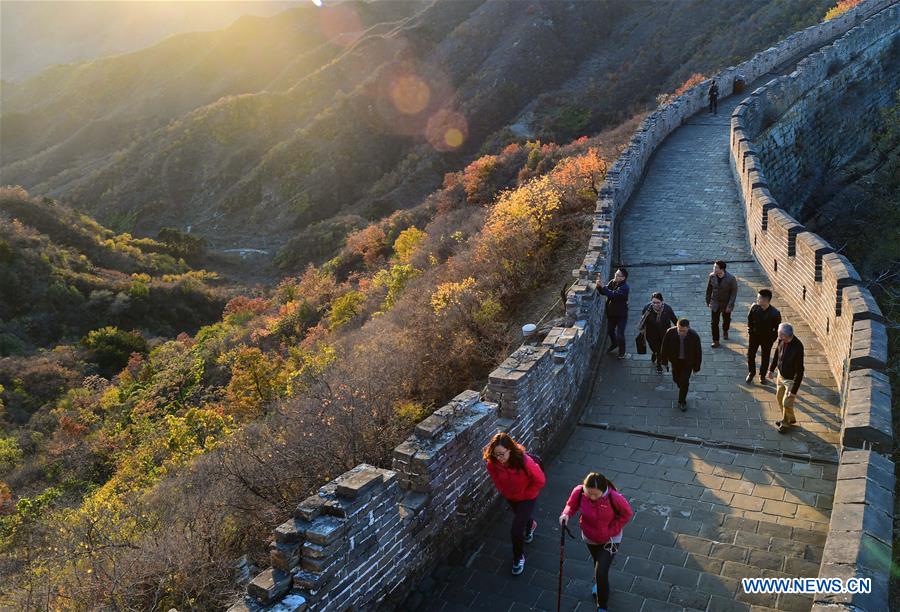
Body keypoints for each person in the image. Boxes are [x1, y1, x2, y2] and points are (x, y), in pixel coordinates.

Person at [559, 472, 634, 612]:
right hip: (590, 537)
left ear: (603, 490)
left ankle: (602, 606)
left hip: (611, 540)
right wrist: (566, 514)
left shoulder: (614, 498)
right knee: (597, 564)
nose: (592, 497)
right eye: (589, 494)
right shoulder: (579, 491)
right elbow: (571, 505)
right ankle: (600, 585)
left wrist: (611, 530)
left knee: (600, 571)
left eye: (596, 494)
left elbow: (627, 514)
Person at [484, 432, 546, 575]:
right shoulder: (492, 463)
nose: (499, 458)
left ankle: (518, 557)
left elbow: (540, 480)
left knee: (516, 530)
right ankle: (531, 525)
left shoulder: (524, 461)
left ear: (510, 450)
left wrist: (527, 494)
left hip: (527, 497)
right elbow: (495, 479)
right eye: (495, 454)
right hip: (511, 496)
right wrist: (504, 491)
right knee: (521, 516)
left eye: (502, 454)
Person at [767, 323, 805, 433]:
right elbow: (776, 355)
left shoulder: (798, 347)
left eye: (780, 335)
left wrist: (794, 391)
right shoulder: (781, 340)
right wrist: (771, 369)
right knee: (779, 398)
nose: (778, 337)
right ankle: (789, 418)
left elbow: (800, 371)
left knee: (786, 402)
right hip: (780, 375)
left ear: (786, 335)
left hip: (790, 379)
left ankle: (785, 423)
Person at [659, 319, 702, 411]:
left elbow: (698, 353)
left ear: (688, 328)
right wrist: (664, 362)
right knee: (676, 379)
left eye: (684, 330)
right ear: (677, 327)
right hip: (675, 361)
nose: (681, 332)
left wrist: (696, 367)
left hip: (688, 363)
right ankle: (681, 385)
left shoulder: (694, 336)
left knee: (684, 381)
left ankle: (682, 401)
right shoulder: (670, 332)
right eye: (679, 330)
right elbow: (664, 347)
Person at [746, 288, 781, 385]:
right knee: (750, 355)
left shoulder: (775, 313)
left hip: (767, 339)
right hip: (754, 337)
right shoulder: (754, 308)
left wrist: (772, 339)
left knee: (765, 357)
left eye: (759, 298)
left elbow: (777, 329)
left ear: (766, 300)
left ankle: (762, 375)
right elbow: (750, 319)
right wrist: (750, 330)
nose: (757, 300)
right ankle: (751, 372)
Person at [639, 292, 678, 374]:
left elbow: (675, 320)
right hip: (651, 334)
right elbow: (643, 320)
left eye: (658, 302)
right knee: (654, 348)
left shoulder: (667, 309)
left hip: (664, 333)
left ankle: (659, 364)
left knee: (661, 350)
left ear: (662, 302)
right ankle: (654, 353)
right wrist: (642, 329)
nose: (655, 305)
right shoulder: (647, 309)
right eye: (653, 302)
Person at [596, 267, 630, 359]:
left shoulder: (625, 288)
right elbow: (605, 292)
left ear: (623, 278)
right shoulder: (612, 282)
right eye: (616, 274)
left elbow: (614, 295)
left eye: (618, 275)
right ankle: (614, 344)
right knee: (610, 331)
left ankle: (622, 352)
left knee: (620, 334)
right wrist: (599, 286)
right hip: (611, 314)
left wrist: (603, 287)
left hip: (621, 315)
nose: (615, 276)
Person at [705, 260, 738, 348]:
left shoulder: (731, 278)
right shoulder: (712, 276)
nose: (714, 269)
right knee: (714, 323)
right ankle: (716, 341)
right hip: (715, 303)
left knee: (726, 319)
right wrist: (708, 301)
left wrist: (730, 305)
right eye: (714, 267)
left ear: (721, 269)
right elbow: (709, 290)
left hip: (726, 303)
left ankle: (725, 330)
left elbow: (733, 293)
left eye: (716, 267)